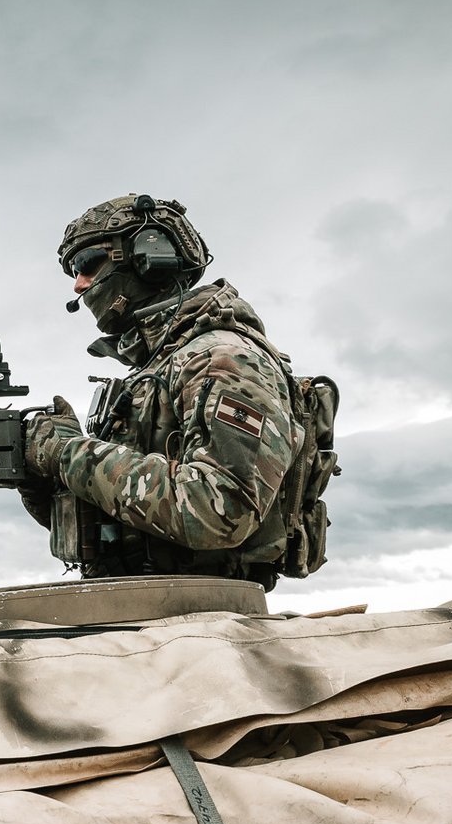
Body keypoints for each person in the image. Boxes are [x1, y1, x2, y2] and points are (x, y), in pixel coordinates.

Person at [21, 194, 303, 587]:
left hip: (204, 615)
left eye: (87, 264)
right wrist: (39, 472)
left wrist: (68, 454)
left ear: (148, 258)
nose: (78, 284)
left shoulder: (221, 358)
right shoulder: (155, 370)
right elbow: (122, 522)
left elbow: (219, 512)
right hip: (141, 604)